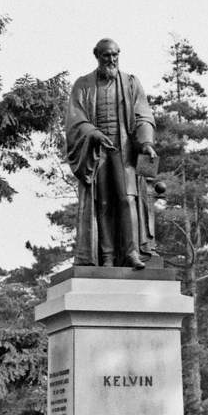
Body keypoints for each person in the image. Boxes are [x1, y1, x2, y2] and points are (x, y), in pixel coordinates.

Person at [63, 38, 158, 268]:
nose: (111, 59)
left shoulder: (131, 83)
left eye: (115, 54)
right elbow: (75, 120)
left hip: (124, 151)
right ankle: (106, 256)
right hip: (98, 152)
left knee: (127, 200)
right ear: (96, 55)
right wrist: (92, 133)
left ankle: (131, 252)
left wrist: (146, 143)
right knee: (103, 203)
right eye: (106, 55)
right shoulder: (83, 85)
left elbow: (143, 115)